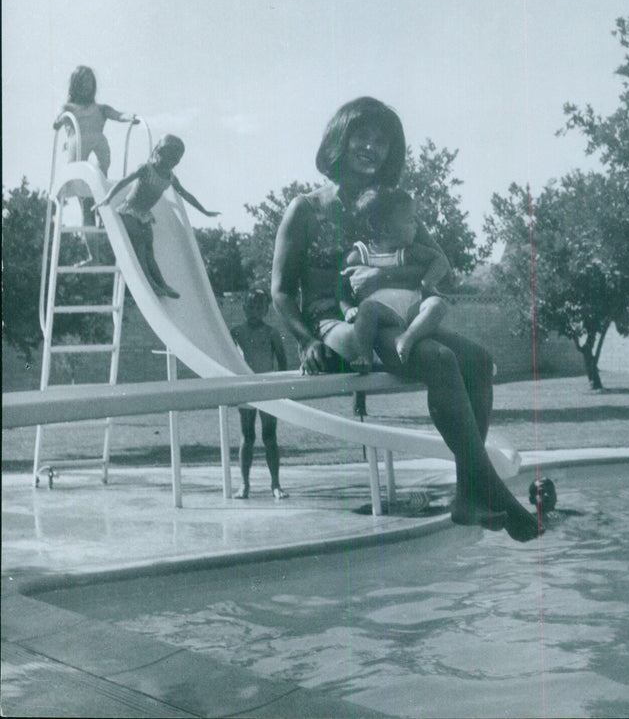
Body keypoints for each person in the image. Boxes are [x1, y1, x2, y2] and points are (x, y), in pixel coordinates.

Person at [271, 96, 541, 542]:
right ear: (340, 137)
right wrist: (305, 340)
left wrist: (385, 273)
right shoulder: (307, 209)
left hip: (393, 318)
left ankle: (469, 492)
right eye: (363, 135)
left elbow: (440, 261)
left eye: (382, 141)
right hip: (338, 328)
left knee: (477, 359)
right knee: (436, 357)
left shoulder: (390, 204)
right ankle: (487, 491)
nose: (371, 147)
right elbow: (281, 290)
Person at [94, 135, 219, 298]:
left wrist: (204, 211)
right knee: (139, 245)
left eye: (176, 159)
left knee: (149, 249)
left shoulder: (171, 177)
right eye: (171, 157)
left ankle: (162, 283)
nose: (173, 162)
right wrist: (108, 198)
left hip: (144, 214)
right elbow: (124, 182)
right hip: (129, 210)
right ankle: (151, 283)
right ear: (159, 153)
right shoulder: (146, 169)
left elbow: (186, 195)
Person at [342, 187, 450, 371]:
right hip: (383, 311)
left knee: (437, 304)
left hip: (412, 308)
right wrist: (347, 309)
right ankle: (364, 356)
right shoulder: (359, 255)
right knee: (366, 309)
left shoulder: (409, 251)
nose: (416, 225)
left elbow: (440, 260)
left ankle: (408, 337)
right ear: (385, 228)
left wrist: (427, 282)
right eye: (409, 221)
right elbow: (342, 287)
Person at [54, 65, 139, 255]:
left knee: (99, 201)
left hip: (98, 165)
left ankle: (103, 227)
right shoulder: (69, 108)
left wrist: (130, 117)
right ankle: (94, 255)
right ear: (75, 86)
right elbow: (60, 118)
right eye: (83, 83)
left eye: (90, 84)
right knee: (87, 209)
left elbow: (118, 115)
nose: (87, 87)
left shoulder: (100, 109)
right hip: (79, 165)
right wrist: (59, 121)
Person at [230, 289, 289, 500]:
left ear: (265, 310)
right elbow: (227, 359)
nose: (254, 311)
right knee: (247, 436)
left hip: (268, 386)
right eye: (250, 307)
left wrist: (282, 389)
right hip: (246, 387)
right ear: (244, 308)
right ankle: (244, 485)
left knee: (269, 436)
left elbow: (282, 361)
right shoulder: (235, 333)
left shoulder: (271, 333)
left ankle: (276, 484)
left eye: (259, 307)